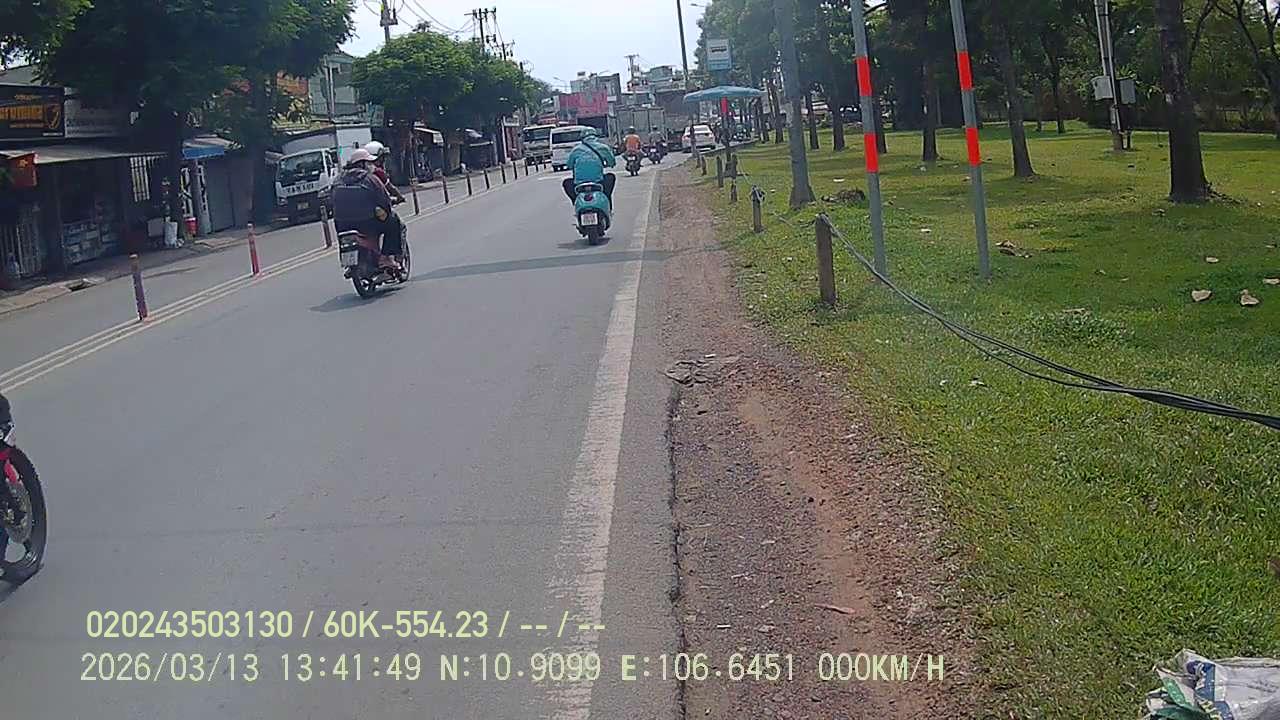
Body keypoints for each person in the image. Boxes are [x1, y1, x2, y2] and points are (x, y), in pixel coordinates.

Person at [331, 149, 400, 269]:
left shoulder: (337, 180)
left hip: (343, 225)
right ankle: (386, 258)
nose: (371, 165)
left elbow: (332, 201)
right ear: (362, 164)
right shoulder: (370, 179)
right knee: (393, 220)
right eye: (368, 163)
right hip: (367, 223)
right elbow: (385, 200)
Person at [562, 129, 617, 205]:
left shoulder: (576, 150)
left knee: (566, 182)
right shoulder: (603, 147)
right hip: (598, 182)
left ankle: (576, 201)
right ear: (595, 136)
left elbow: (569, 165)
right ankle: (607, 201)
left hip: (579, 184)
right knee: (611, 177)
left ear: (582, 138)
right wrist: (606, 164)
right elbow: (612, 162)